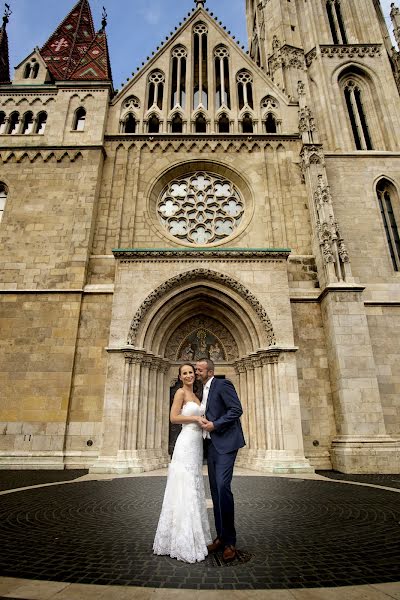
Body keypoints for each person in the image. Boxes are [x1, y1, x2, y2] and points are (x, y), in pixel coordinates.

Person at [153, 363, 211, 563]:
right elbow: (173, 418)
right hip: (186, 443)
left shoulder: (196, 394)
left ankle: (197, 536)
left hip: (196, 445)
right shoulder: (180, 393)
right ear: (179, 376)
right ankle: (181, 539)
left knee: (194, 485)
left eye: (191, 372)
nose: (189, 375)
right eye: (184, 373)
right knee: (184, 485)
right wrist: (196, 418)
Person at [195, 359, 245, 563]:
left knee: (223, 487)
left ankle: (231, 542)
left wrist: (215, 425)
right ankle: (221, 537)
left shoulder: (222, 385)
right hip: (212, 446)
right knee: (215, 491)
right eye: (196, 370)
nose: (197, 372)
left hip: (226, 443)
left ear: (210, 371)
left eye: (199, 369)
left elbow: (236, 410)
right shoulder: (203, 390)